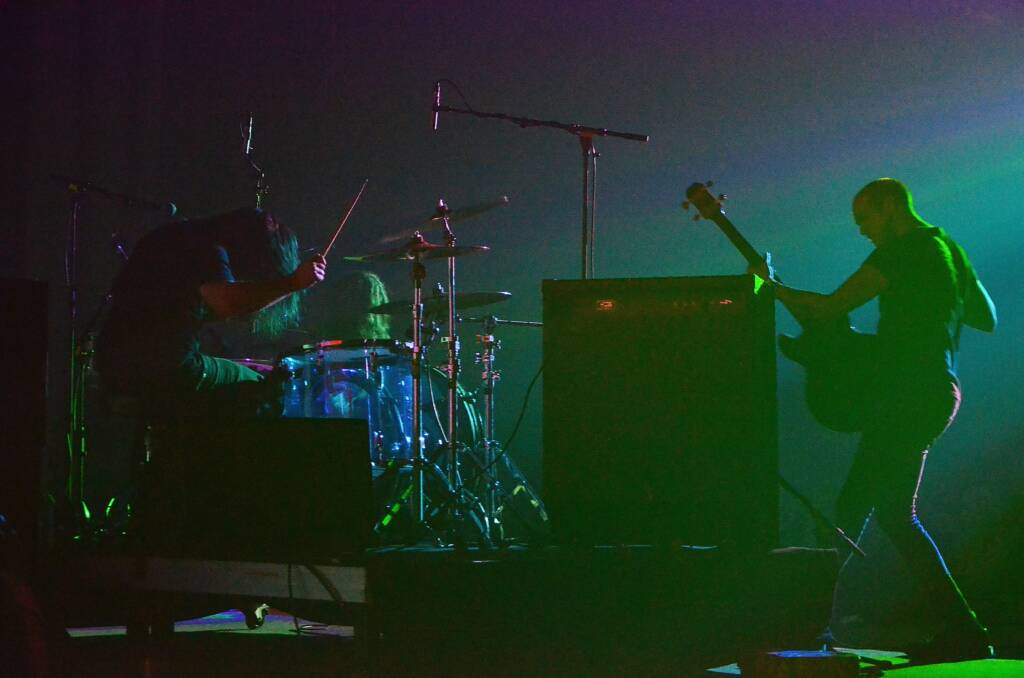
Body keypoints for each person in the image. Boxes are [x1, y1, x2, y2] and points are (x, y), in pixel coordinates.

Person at [752, 178, 997, 661]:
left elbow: (828, 308)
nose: (863, 231)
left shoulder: (901, 251)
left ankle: (807, 627)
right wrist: (939, 297)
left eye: (866, 219)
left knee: (853, 510)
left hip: (908, 396)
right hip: (937, 392)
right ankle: (965, 631)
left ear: (889, 208)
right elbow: (986, 318)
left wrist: (768, 285)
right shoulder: (948, 248)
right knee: (893, 516)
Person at [95, 208, 326, 418]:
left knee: (244, 374)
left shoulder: (176, 236)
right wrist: (293, 283)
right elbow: (228, 303)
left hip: (113, 363)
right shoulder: (207, 247)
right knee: (265, 389)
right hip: (167, 367)